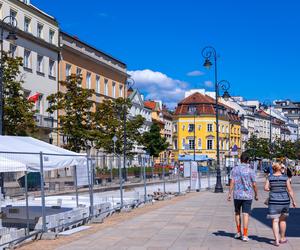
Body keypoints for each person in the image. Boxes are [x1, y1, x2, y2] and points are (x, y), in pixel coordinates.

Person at [228, 152, 258, 242]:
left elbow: (232, 182)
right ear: (248, 160)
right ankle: (245, 234)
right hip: (247, 195)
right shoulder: (251, 170)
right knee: (246, 214)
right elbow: (254, 184)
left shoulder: (234, 169)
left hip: (237, 195)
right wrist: (256, 194)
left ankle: (238, 232)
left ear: (240, 159)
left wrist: (229, 193)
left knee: (237, 213)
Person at [264, 162, 297, 246]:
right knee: (283, 220)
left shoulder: (270, 177)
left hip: (274, 201)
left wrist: (271, 189)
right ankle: (282, 238)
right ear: (280, 169)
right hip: (285, 201)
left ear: (273, 169)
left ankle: (277, 241)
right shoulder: (285, 177)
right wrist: (293, 201)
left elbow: (266, 188)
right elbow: (289, 190)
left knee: (275, 221)